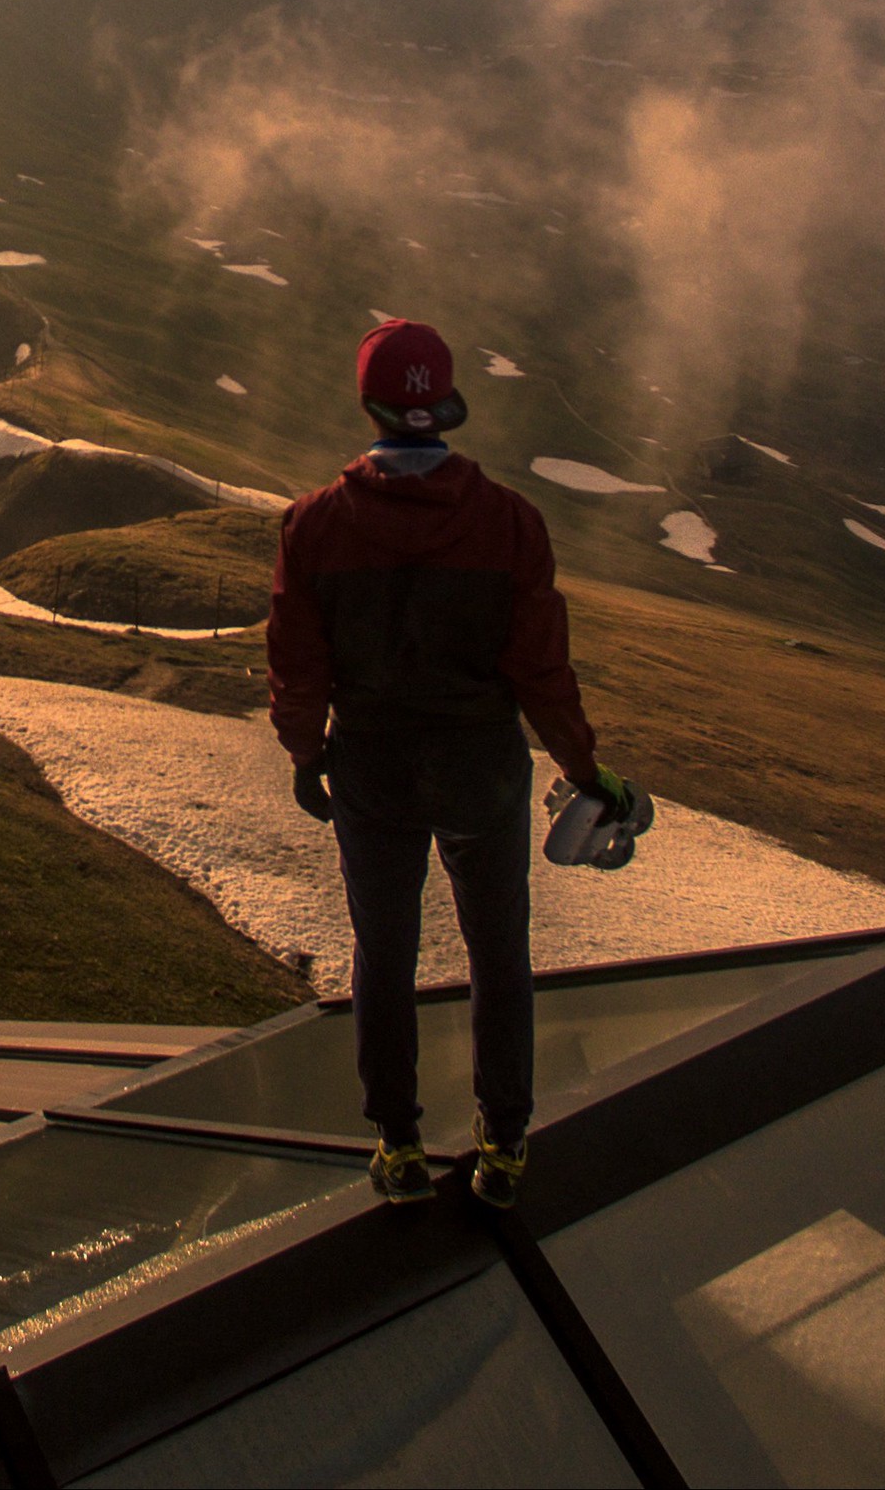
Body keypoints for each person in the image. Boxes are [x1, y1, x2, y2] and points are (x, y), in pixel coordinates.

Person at [266, 317, 637, 1209]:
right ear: (447, 404)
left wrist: (306, 753)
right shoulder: (510, 522)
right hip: (482, 767)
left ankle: (396, 1145)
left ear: (371, 403)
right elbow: (542, 670)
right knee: (497, 948)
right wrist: (588, 775)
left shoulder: (315, 524)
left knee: (383, 950)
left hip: (372, 766)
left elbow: (297, 659)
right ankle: (503, 1145)